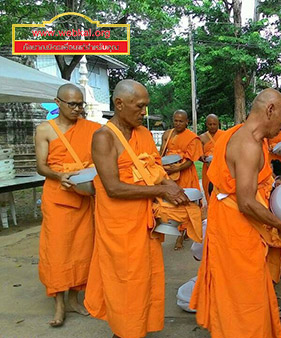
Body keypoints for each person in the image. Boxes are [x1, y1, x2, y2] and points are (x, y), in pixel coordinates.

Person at [189, 88, 281, 338]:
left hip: (231, 227)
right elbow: (246, 202)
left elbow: (248, 186)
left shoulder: (242, 134)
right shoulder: (248, 144)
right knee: (245, 300)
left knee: (235, 296)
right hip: (238, 233)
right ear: (269, 110)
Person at [85, 79, 189, 338]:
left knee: (146, 280)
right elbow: (113, 188)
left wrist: (172, 188)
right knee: (125, 283)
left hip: (146, 222)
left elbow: (154, 169)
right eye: (139, 106)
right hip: (119, 226)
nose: (144, 113)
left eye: (145, 106)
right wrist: (162, 190)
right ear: (119, 104)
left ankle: (136, 329)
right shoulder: (103, 137)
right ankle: (123, 332)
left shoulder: (142, 134)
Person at [35, 84, 101, 327]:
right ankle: (59, 303)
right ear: (58, 102)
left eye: (80, 104)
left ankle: (74, 298)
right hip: (58, 196)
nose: (77, 109)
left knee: (83, 248)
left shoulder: (91, 129)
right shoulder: (45, 130)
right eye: (72, 104)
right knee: (57, 250)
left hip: (83, 194)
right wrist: (57, 176)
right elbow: (41, 166)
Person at [160, 110, 203, 250]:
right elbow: (161, 152)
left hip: (185, 174)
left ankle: (180, 235)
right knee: (173, 203)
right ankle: (181, 229)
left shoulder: (192, 138)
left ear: (187, 122)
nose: (178, 123)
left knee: (185, 202)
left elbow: (190, 161)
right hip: (170, 173)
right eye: (175, 120)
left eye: (181, 121)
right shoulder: (168, 134)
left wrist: (176, 168)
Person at [199, 114, 224, 202]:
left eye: (214, 124)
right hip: (208, 168)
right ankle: (211, 209)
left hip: (221, 168)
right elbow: (199, 154)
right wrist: (202, 158)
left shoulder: (225, 135)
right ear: (206, 124)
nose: (212, 126)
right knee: (208, 190)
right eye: (210, 124)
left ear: (218, 124)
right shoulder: (202, 138)